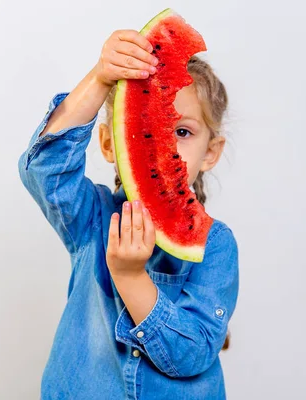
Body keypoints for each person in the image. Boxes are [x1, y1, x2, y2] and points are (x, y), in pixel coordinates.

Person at [18, 29, 239, 400]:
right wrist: (101, 75)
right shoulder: (93, 219)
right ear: (109, 143)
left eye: (183, 131)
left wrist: (130, 277)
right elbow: (43, 168)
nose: (163, 146)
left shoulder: (215, 245)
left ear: (211, 152)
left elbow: (193, 353)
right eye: (149, 129)